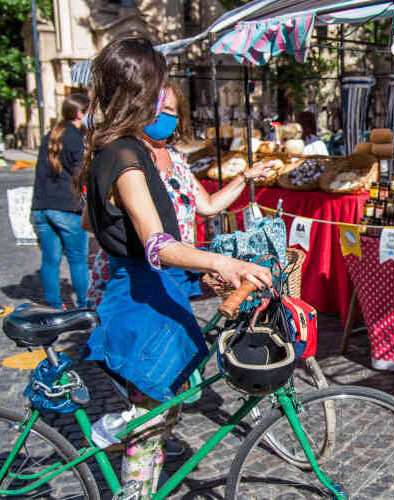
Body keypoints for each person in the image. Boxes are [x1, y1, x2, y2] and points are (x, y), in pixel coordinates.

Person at [76, 37, 272, 498]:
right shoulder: (124, 157)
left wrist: (202, 272)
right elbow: (158, 244)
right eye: (159, 86)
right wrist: (224, 260)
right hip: (140, 303)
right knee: (149, 427)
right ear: (139, 92)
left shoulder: (133, 151)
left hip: (157, 293)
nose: (167, 99)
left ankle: (126, 441)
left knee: (160, 417)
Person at [86, 80, 273, 307]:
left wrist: (245, 177)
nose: (158, 116)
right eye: (154, 108)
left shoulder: (176, 158)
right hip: (135, 279)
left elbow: (209, 206)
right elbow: (91, 220)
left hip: (173, 272)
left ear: (178, 118)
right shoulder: (128, 157)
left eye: (167, 111)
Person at [31, 93, 91, 310]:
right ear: (79, 113)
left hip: (42, 206)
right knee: (77, 260)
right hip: (67, 207)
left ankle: (54, 306)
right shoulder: (75, 139)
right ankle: (85, 305)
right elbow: (81, 173)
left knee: (50, 261)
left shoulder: (50, 135)